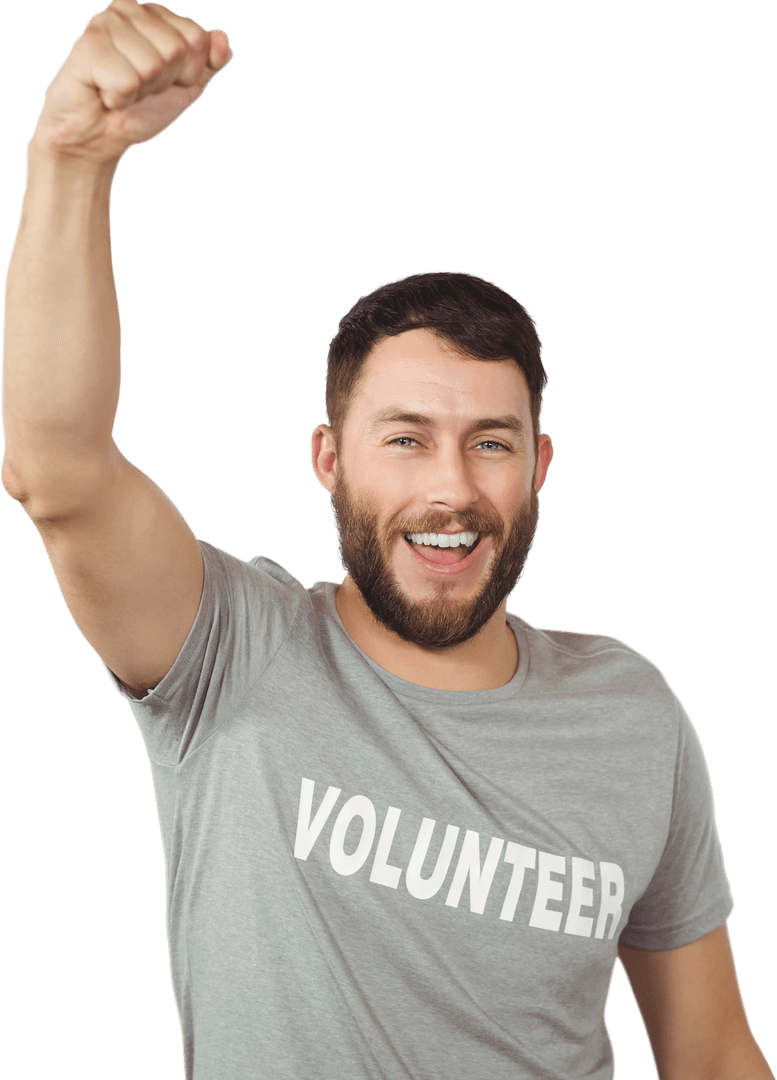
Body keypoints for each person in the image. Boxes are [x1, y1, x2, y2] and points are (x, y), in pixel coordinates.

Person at [1, 3, 772, 1079]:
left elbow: (713, 1053)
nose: (451, 490)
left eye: (490, 444)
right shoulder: (226, 648)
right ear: (330, 459)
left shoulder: (634, 713)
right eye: (405, 439)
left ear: (540, 466)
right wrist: (71, 157)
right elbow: (58, 469)